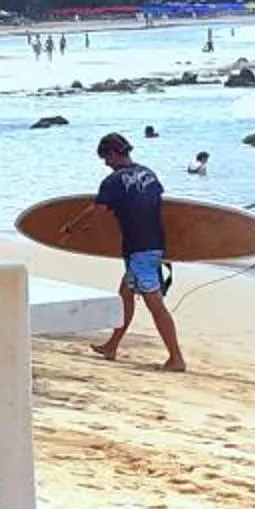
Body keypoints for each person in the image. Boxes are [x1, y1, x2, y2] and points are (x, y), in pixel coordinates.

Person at [59, 133, 186, 372]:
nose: (105, 163)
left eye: (105, 157)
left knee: (155, 306)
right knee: (125, 296)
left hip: (139, 250)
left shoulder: (114, 182)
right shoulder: (150, 174)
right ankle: (112, 346)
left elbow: (96, 211)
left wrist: (70, 229)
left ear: (114, 153)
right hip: (153, 246)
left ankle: (176, 358)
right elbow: (161, 208)